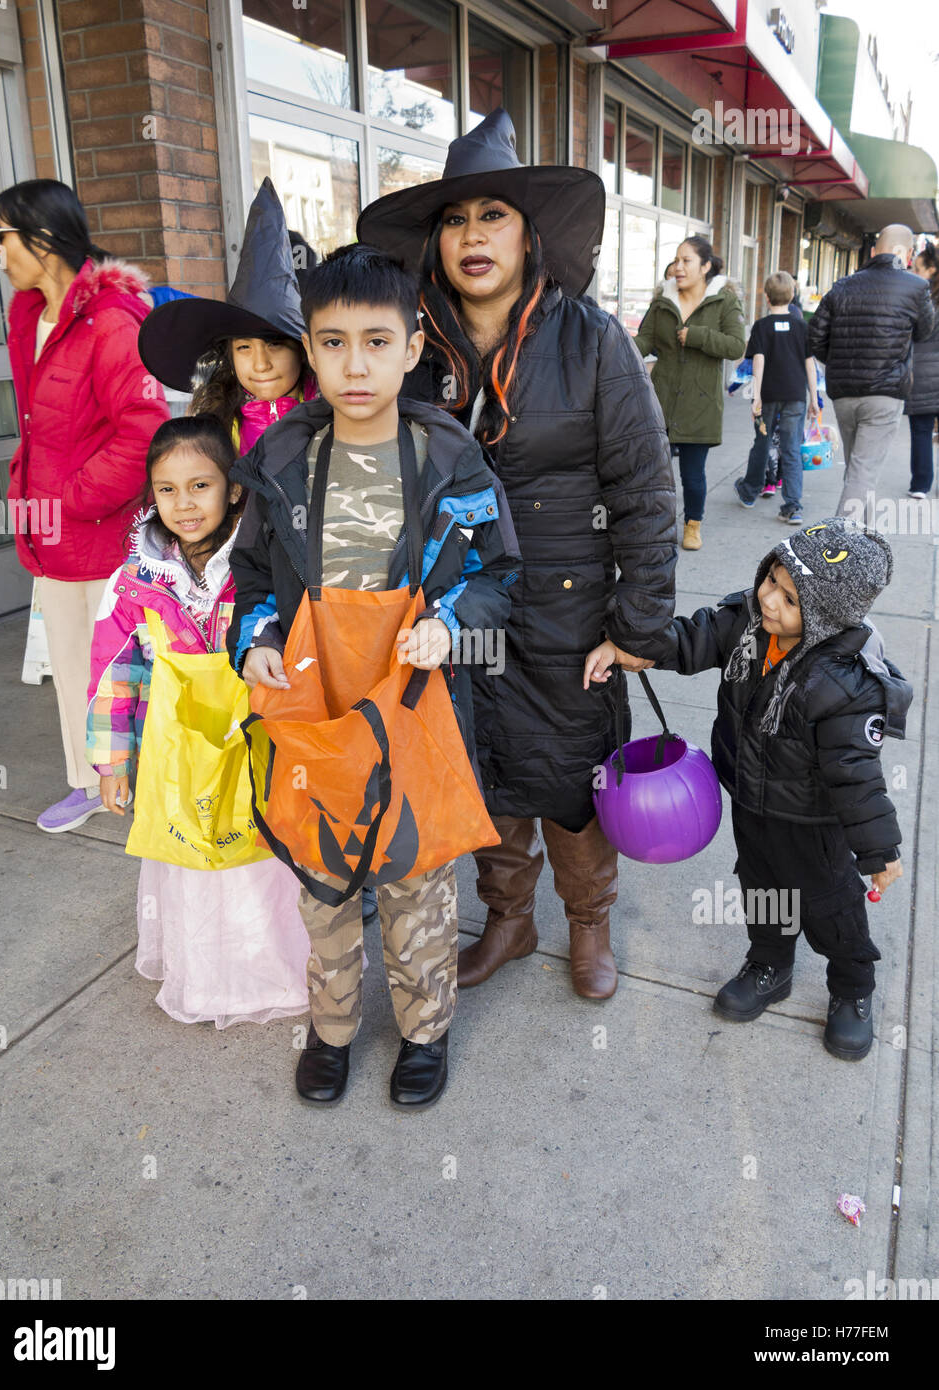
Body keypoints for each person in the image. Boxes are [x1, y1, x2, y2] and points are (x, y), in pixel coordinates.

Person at [355, 107, 676, 1001]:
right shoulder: (413, 350)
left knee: (570, 778)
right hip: (457, 611)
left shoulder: (593, 339)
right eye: (454, 221)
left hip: (571, 610)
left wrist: (639, 622)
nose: (470, 236)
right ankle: (507, 917)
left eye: (491, 215)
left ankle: (588, 922)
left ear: (527, 234)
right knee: (483, 765)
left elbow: (647, 491)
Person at [227, 244, 520, 1107]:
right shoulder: (280, 456)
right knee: (323, 879)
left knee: (414, 876)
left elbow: (499, 577)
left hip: (414, 701)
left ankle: (425, 1031)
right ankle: (331, 1028)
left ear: (412, 346)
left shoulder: (448, 457)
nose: (355, 364)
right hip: (314, 702)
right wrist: (256, 641)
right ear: (308, 349)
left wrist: (449, 624)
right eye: (332, 342)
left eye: (375, 341)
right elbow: (250, 579)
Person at [589, 519, 909, 1062]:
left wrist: (878, 850)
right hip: (751, 800)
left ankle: (852, 986)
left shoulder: (844, 684)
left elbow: (857, 778)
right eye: (771, 580)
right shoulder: (748, 623)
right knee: (761, 885)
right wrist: (635, 650)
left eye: (790, 597)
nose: (769, 599)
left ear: (827, 616)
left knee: (828, 903)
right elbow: (694, 638)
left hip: (811, 820)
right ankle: (770, 963)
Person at [85, 416, 312, 1027]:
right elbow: (115, 674)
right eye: (167, 489)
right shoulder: (133, 583)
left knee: (261, 862)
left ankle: (274, 973)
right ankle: (207, 981)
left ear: (235, 489)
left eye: (200, 486)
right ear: (151, 494)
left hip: (259, 747)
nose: (183, 504)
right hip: (176, 756)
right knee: (190, 865)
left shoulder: (262, 565)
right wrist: (113, 764)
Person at [0, 178, 169, 832]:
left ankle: (141, 781)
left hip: (98, 532)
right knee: (70, 665)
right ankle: (90, 782)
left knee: (119, 666)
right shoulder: (28, 314)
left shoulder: (111, 323)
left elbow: (143, 431)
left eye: (4, 238)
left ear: (43, 241)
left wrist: (67, 499)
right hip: (52, 534)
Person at [138, 179, 318, 458]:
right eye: (244, 347)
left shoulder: (335, 416)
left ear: (302, 348)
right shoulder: (214, 430)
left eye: (275, 344)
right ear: (229, 355)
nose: (261, 364)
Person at [806, 223, 935, 523]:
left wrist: (836, 363)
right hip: (885, 393)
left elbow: (815, 337)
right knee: (862, 473)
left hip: (845, 393)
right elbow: (925, 331)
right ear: (907, 253)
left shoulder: (842, 285)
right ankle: (837, 545)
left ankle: (864, 537)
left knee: (858, 472)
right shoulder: (916, 288)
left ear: (875, 251)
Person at [634, 234, 746, 550]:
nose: (679, 267)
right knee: (651, 474)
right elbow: (645, 340)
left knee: (692, 476)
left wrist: (697, 335)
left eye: (687, 261)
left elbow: (736, 346)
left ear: (705, 266)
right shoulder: (663, 302)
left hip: (701, 405)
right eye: (677, 259)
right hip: (662, 403)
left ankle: (692, 525)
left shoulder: (724, 302)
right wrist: (621, 348)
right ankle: (653, 526)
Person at [734, 270, 819, 524]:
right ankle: (793, 506)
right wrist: (814, 397)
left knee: (762, 442)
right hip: (795, 396)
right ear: (792, 295)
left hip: (768, 395)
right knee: (791, 448)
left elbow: (758, 361)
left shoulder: (761, 327)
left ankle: (749, 492)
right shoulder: (802, 327)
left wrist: (756, 395)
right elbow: (810, 365)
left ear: (766, 297)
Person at [906, 241, 939, 498]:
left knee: (921, 429)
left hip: (922, 374)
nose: (913, 273)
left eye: (917, 268)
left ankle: (920, 484)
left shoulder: (919, 298)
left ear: (931, 269)